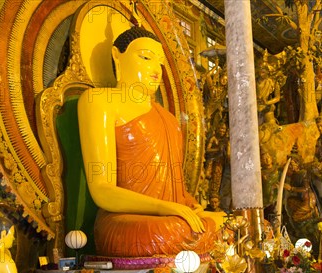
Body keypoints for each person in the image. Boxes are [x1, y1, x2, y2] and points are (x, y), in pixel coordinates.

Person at [77, 27, 224, 257]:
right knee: (172, 232)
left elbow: (174, 185)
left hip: (171, 219)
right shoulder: (99, 102)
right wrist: (164, 208)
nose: (156, 69)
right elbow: (102, 191)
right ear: (117, 55)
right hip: (126, 224)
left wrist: (189, 204)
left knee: (226, 223)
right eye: (146, 57)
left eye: (161, 63)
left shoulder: (169, 119)